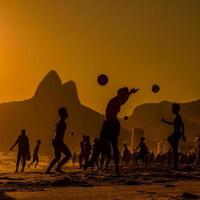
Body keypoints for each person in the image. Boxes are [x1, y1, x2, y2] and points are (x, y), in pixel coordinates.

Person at [86, 87, 139, 174]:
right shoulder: (117, 100)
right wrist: (129, 94)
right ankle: (116, 168)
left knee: (103, 144)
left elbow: (123, 101)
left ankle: (92, 162)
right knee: (112, 145)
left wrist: (129, 93)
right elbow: (123, 101)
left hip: (110, 123)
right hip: (113, 123)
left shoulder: (116, 99)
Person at [46, 107, 72, 174]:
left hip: (57, 141)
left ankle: (51, 169)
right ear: (63, 114)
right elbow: (59, 134)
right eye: (66, 112)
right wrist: (60, 143)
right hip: (58, 142)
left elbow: (59, 133)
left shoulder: (61, 122)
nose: (67, 113)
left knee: (58, 157)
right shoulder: (62, 122)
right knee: (68, 155)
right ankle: (56, 168)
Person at [161, 103, 186, 170]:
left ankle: (175, 165)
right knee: (172, 145)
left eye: (172, 108)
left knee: (174, 149)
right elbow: (173, 124)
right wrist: (165, 121)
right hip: (176, 133)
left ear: (176, 109)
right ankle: (175, 164)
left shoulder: (178, 116)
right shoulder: (176, 117)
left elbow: (182, 125)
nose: (171, 109)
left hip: (176, 133)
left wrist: (183, 135)